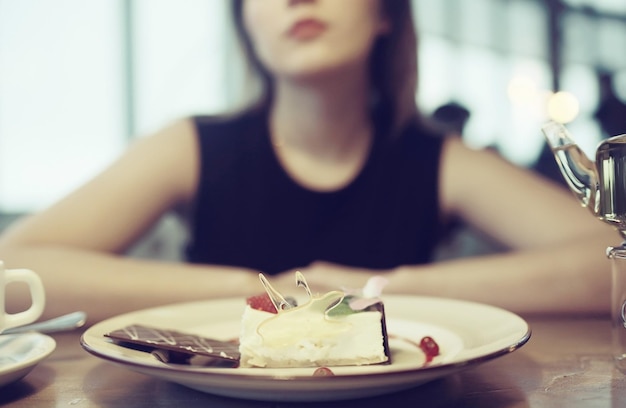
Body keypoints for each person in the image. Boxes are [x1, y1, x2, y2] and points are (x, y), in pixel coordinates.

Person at [0, 0, 617, 324]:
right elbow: (12, 273)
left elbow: (612, 262)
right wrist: (259, 291)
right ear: (246, 21)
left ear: (384, 13)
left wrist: (380, 291)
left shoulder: (437, 159)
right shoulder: (191, 146)